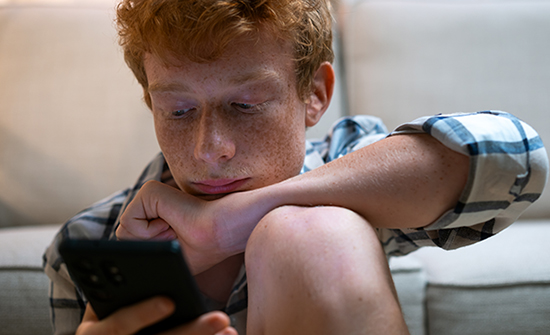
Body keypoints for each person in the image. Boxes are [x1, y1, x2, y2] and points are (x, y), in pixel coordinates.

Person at [43, 0, 548, 334]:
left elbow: (516, 155)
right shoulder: (91, 244)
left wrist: (230, 222)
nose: (209, 149)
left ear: (315, 95)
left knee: (306, 229)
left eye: (245, 105)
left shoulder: (347, 168)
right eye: (178, 110)